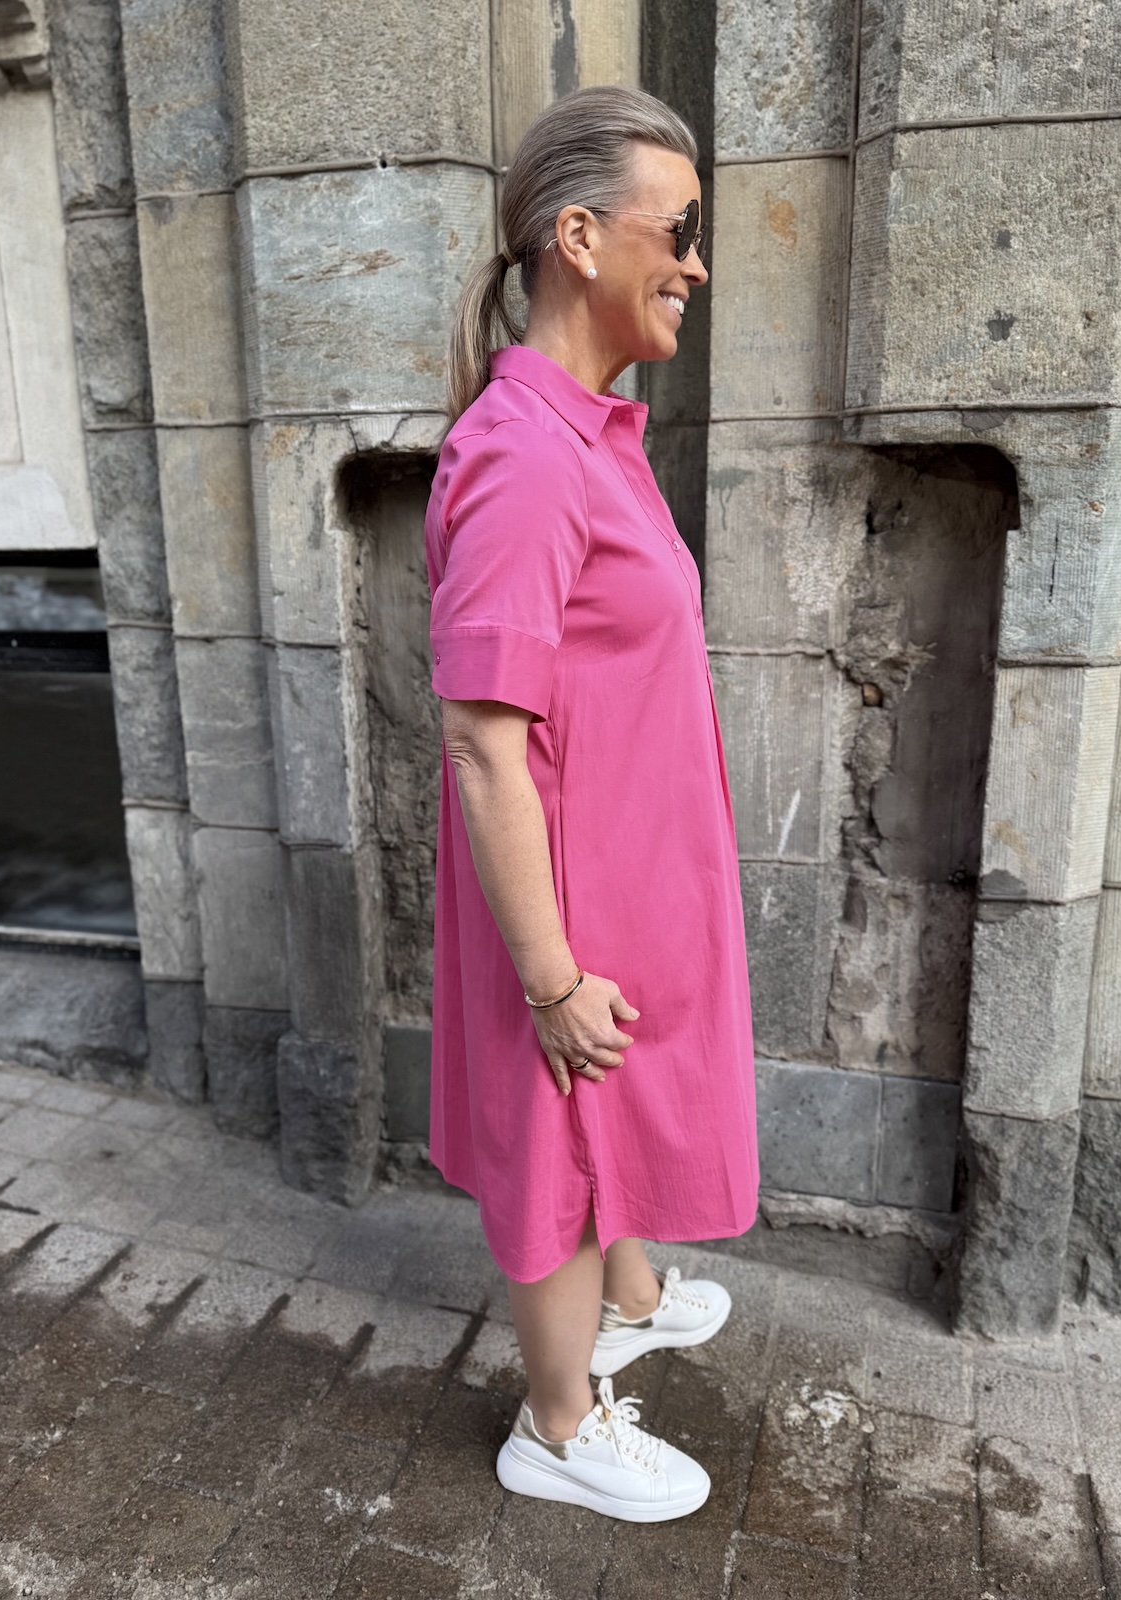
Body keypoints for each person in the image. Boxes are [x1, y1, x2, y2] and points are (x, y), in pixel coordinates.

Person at [424, 84, 760, 1523]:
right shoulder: (524, 456)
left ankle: (623, 1300)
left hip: (624, 867)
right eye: (677, 232)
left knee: (604, 1110)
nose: (696, 263)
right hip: (561, 894)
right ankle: (556, 1424)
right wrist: (551, 980)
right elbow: (482, 744)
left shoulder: (588, 439)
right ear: (578, 237)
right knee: (560, 1123)